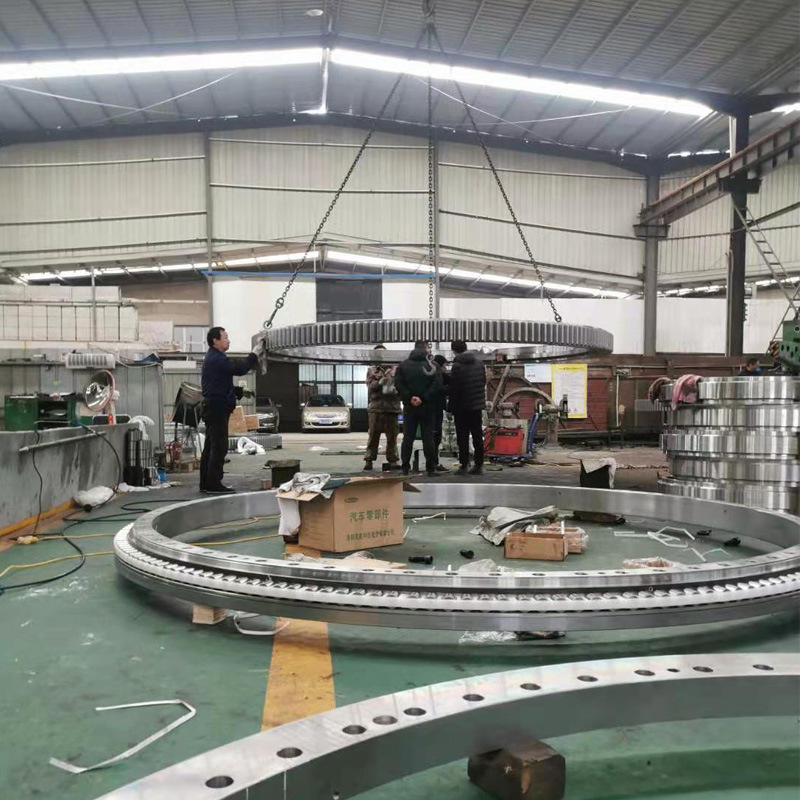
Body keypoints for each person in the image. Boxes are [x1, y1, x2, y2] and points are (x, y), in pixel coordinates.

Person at [200, 326, 259, 494]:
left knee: (210, 447)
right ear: (215, 341)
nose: (228, 340)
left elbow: (220, 384)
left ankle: (206, 483)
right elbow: (240, 368)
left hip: (213, 407)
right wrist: (254, 354)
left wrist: (239, 391)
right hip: (217, 408)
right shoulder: (217, 359)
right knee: (219, 446)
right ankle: (214, 484)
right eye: (225, 337)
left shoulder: (213, 357)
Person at [394, 343, 442, 477]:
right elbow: (437, 384)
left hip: (410, 406)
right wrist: (423, 398)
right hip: (428, 407)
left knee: (408, 437)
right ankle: (431, 468)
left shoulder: (403, 365)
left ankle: (405, 468)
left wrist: (410, 397)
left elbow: (398, 383)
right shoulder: (433, 365)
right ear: (426, 349)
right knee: (428, 437)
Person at [448, 339, 487, 476]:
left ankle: (464, 465)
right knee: (477, 436)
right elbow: (483, 382)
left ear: (453, 351)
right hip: (476, 406)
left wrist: (451, 407)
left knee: (462, 437)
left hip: (461, 407)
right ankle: (478, 465)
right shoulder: (479, 364)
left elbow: (454, 388)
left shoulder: (457, 365)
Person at [364, 345, 401, 470]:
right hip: (376, 407)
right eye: (377, 354)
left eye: (383, 353)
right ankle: (369, 460)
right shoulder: (372, 370)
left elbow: (401, 384)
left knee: (392, 436)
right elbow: (370, 386)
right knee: (373, 435)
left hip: (392, 407)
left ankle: (393, 460)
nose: (380, 356)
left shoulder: (395, 369)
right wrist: (380, 382)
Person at [432, 354, 449, 472]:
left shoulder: (435, 372)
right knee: (435, 436)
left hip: (434, 407)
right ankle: (433, 463)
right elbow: (439, 389)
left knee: (434, 436)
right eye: (445, 365)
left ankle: (433, 462)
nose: (446, 368)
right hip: (435, 408)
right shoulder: (437, 373)